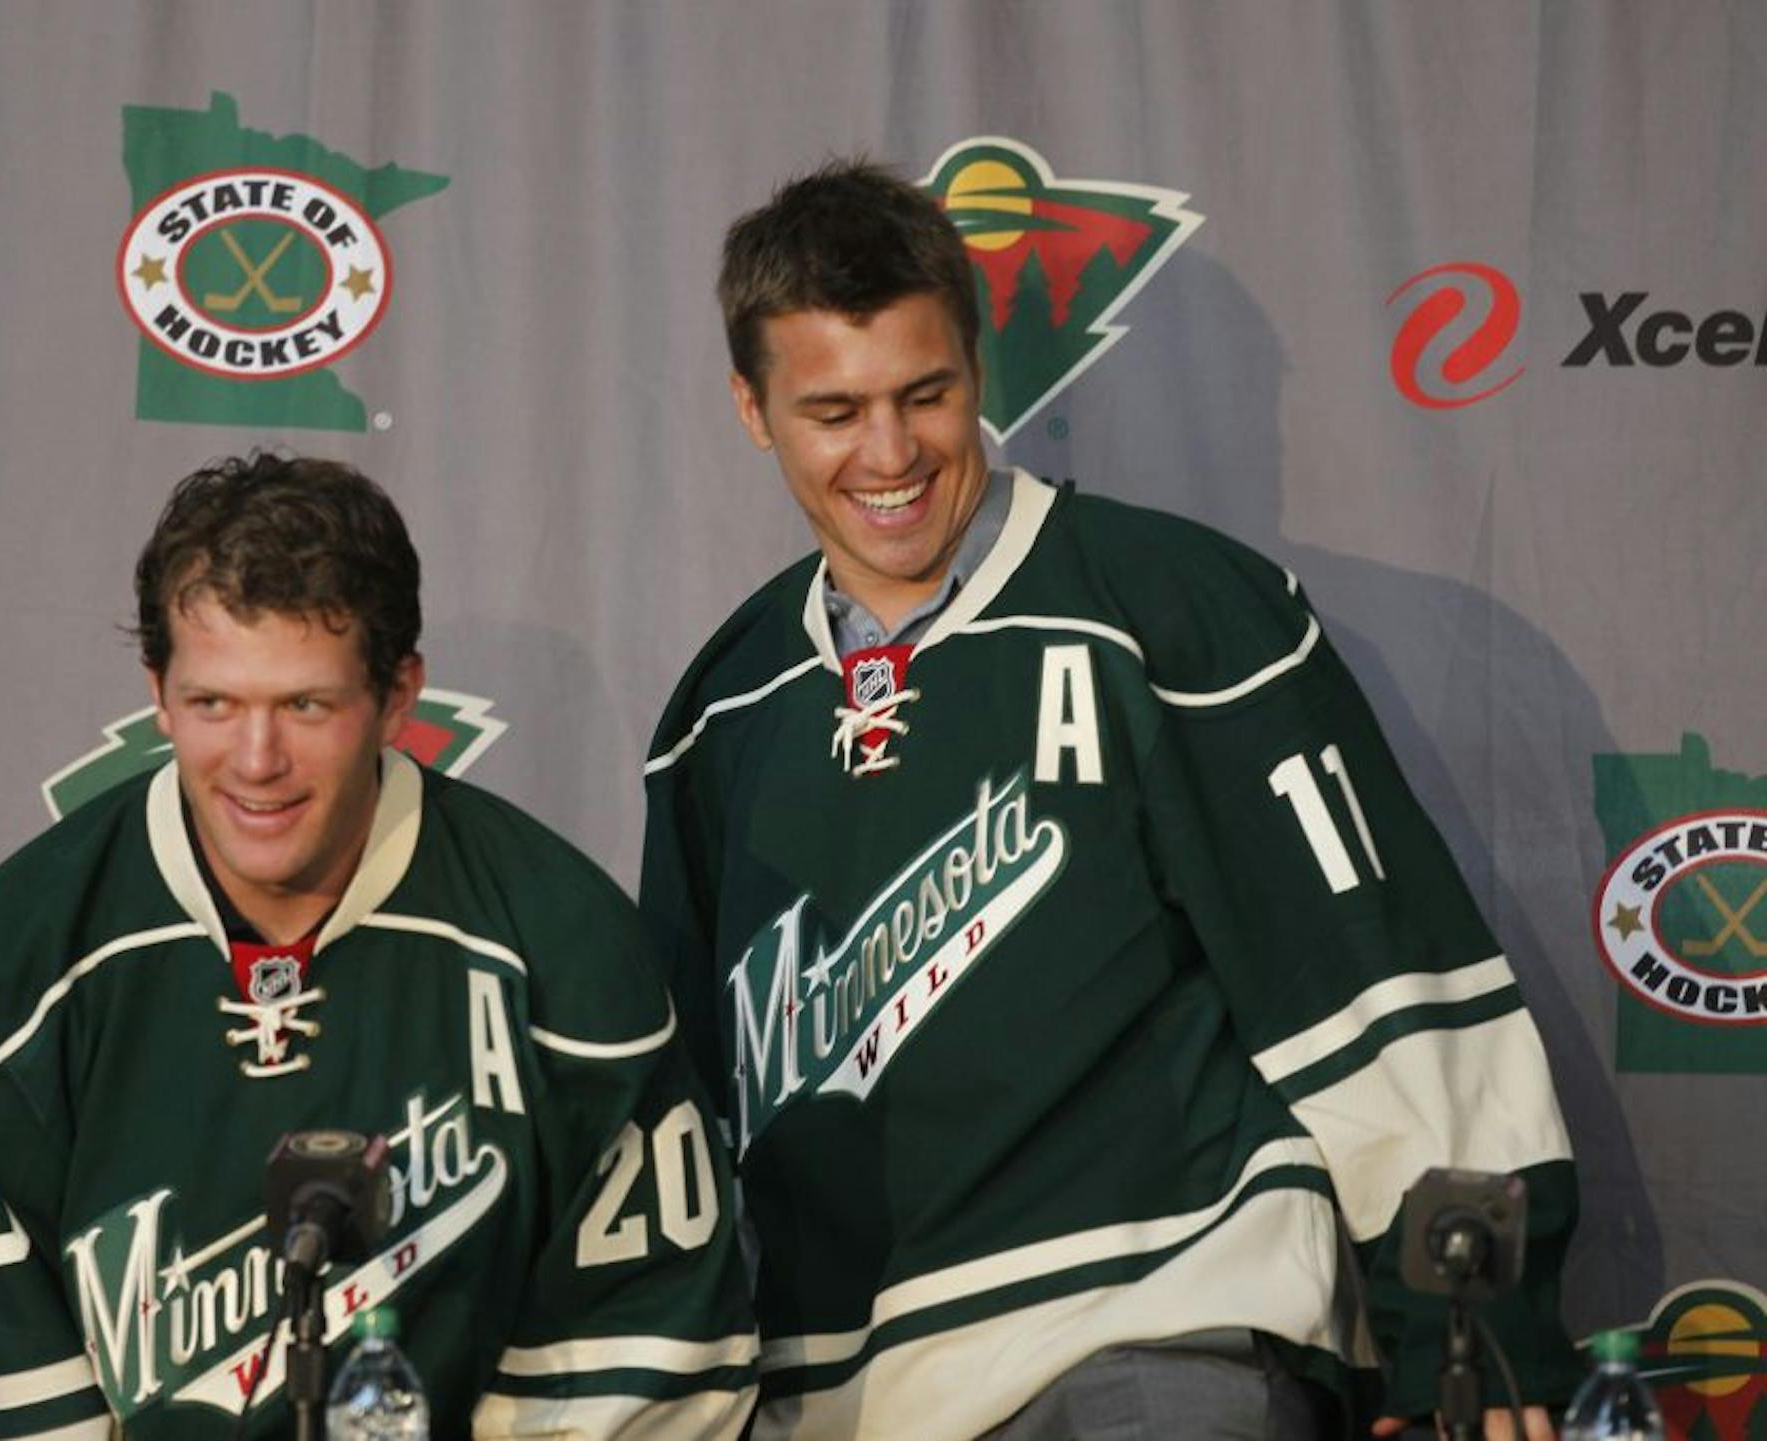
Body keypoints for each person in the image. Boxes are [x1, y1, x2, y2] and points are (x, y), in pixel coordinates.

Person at [638, 161, 1581, 1440]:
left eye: (928, 393)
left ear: (980, 366)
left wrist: (1471, 1338)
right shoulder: (723, 710)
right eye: (833, 409)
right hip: (852, 1396)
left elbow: (1383, 993)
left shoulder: (1172, 607)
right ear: (752, 409)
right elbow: (683, 1134)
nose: (891, 451)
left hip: (1154, 1330)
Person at [0, 455, 757, 1441]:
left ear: (399, 698)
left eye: (306, 704)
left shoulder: (559, 942)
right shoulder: (22, 958)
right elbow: (26, 1400)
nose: (256, 760)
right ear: (158, 692)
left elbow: (650, 1361)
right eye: (214, 702)